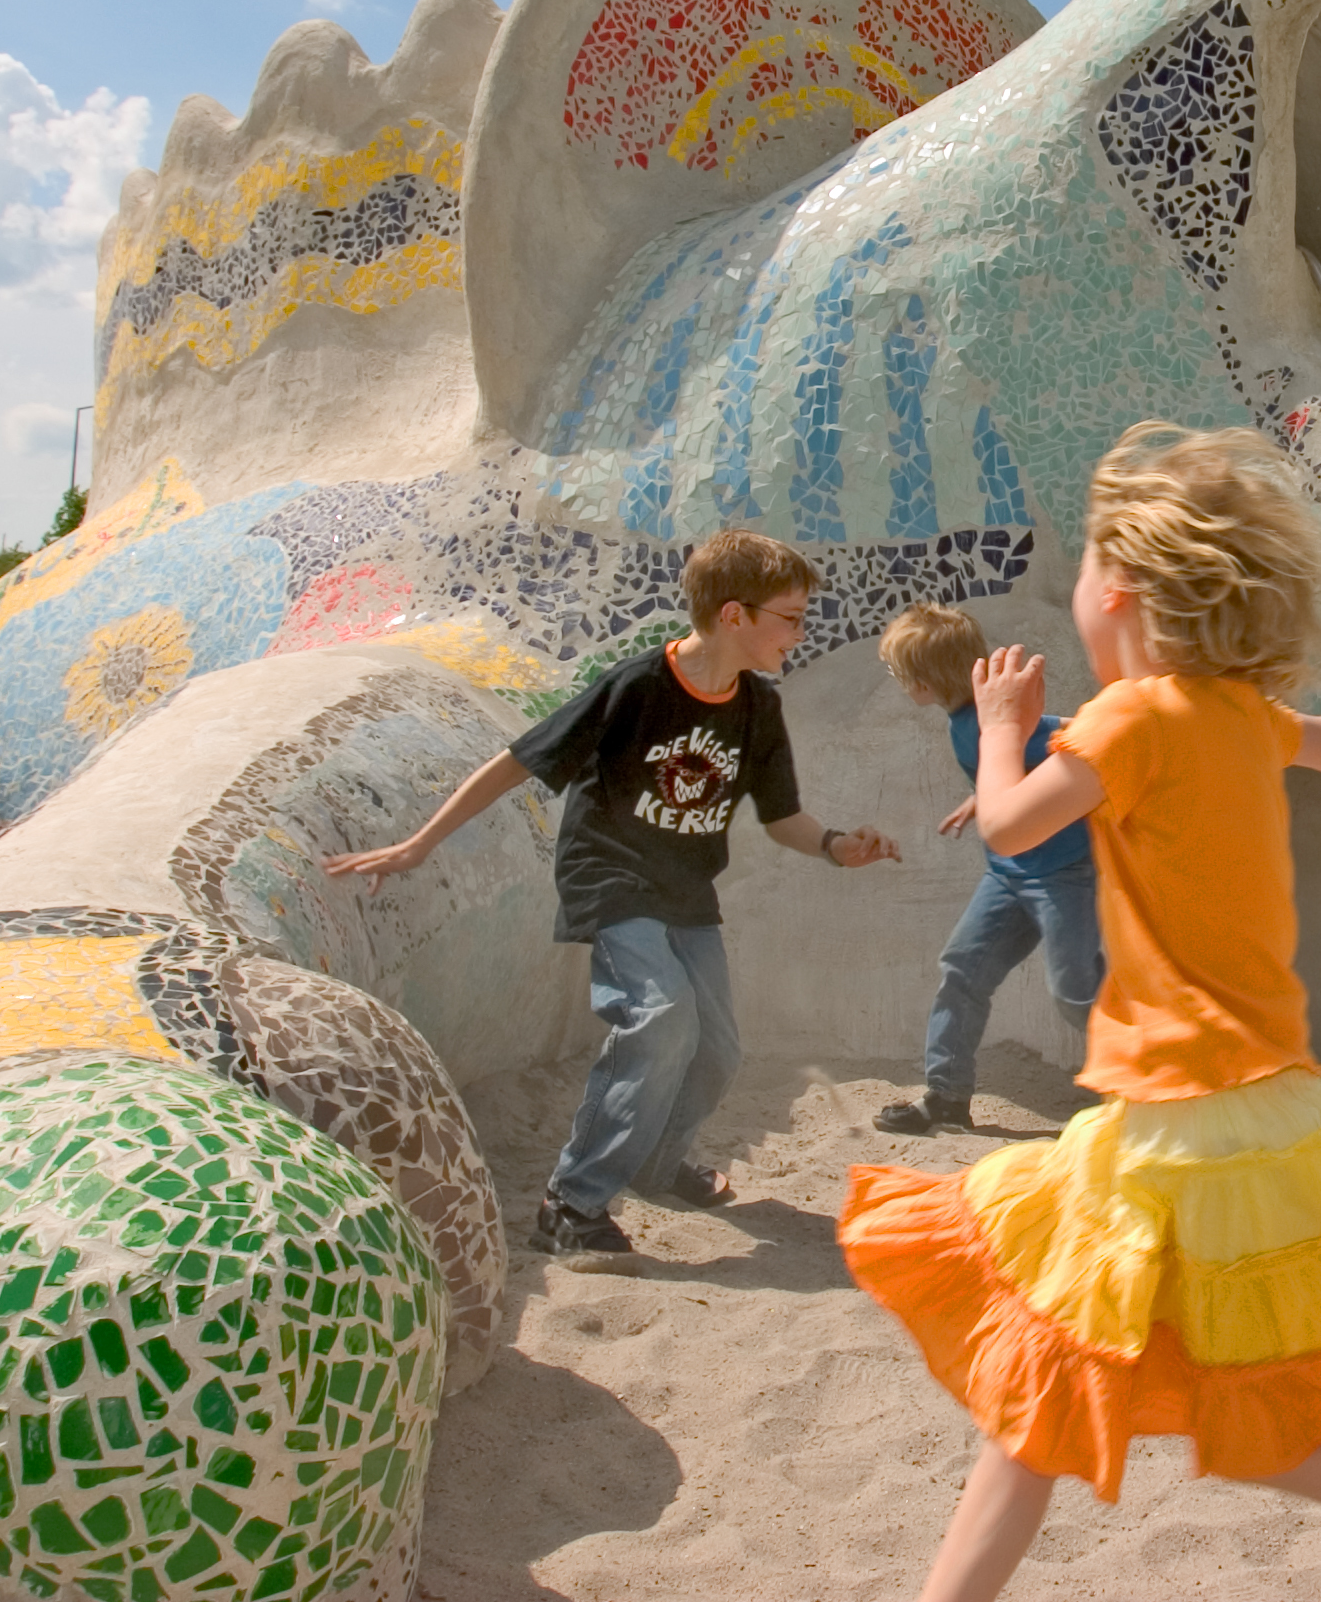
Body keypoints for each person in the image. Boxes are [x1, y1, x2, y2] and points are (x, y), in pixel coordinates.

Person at [838, 422, 1321, 1602]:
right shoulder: (1239, 711)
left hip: (1179, 1123)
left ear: (1122, 591)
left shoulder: (1131, 719)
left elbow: (1008, 825)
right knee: (1213, 1409)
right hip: (1254, 1110)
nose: (1078, 590)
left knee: (1076, 1378)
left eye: (1086, 567)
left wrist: (996, 730)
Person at [325, 529, 901, 1258]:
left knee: (717, 1049)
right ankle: (571, 1202)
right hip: (610, 874)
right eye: (789, 616)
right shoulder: (638, 686)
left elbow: (783, 818)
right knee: (660, 1017)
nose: (800, 630)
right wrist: (419, 843)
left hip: (684, 888)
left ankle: (658, 1167)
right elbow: (517, 763)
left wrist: (836, 846)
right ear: (734, 616)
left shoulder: (756, 705)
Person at [870, 602, 1104, 1138]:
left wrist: (1100, 721)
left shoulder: (997, 718)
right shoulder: (965, 719)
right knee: (962, 969)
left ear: (923, 682)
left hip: (1063, 873)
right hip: (1006, 875)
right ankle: (946, 1095)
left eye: (901, 676)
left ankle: (1150, 1088)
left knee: (1078, 991)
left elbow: (1061, 737)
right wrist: (980, 797)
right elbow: (1007, 765)